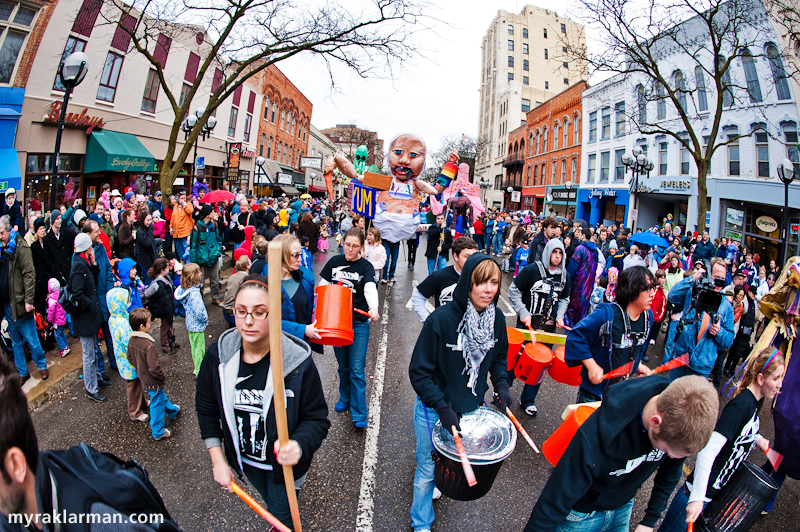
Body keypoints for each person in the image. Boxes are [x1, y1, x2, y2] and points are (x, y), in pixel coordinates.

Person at [195, 274, 330, 529]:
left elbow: (317, 419)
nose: (248, 321)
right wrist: (218, 460)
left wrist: (298, 445)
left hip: (285, 471)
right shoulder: (218, 357)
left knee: (281, 518)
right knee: (274, 509)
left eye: (259, 313)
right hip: (246, 462)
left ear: (276, 315)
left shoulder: (297, 363)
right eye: (241, 311)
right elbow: (206, 409)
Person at [524, 375, 719, 532]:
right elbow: (552, 503)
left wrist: (650, 520)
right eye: (666, 451)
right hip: (581, 516)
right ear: (655, 422)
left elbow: (670, 472)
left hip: (623, 505)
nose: (672, 458)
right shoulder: (593, 438)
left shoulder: (679, 422)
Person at [408, 253, 510, 532]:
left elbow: (499, 356)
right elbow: (419, 372)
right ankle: (421, 523)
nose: (489, 290)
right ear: (467, 284)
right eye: (482, 283)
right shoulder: (440, 320)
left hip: (470, 407)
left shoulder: (497, 318)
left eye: (494, 283)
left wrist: (501, 384)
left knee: (453, 467)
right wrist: (441, 406)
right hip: (433, 407)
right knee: (427, 470)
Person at [657, 349, 784, 532]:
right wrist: (697, 497)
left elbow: (739, 433)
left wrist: (757, 440)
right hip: (694, 498)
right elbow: (708, 450)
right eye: (776, 378)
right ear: (761, 378)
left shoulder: (754, 404)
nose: (780, 384)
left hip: (709, 499)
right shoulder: (741, 406)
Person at [566, 266, 655, 403]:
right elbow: (576, 336)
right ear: (631, 291)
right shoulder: (607, 314)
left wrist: (637, 365)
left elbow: (633, 349)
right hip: (594, 392)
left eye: (652, 288)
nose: (652, 294)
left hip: (619, 392)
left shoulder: (648, 317)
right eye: (647, 289)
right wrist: (592, 366)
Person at [319, 228, 379, 429]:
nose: (350, 249)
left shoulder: (366, 266)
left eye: (355, 246)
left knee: (356, 369)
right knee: (343, 366)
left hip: (359, 323)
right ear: (342, 243)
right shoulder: (334, 263)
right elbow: (322, 287)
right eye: (347, 244)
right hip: (336, 323)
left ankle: (359, 412)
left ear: (362, 247)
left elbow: (370, 287)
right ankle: (344, 397)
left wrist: (373, 307)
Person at [508, 238, 571, 415]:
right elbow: (513, 290)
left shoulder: (565, 276)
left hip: (548, 330)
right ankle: (502, 391)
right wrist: (523, 311)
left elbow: (564, 298)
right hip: (527, 326)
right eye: (554, 252)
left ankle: (528, 400)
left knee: (540, 366)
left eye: (560, 253)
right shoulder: (532, 270)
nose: (557, 256)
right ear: (548, 252)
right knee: (516, 361)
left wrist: (559, 316)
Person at [664, 258, 735, 380]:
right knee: (671, 396)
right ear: (708, 275)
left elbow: (729, 340)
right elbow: (672, 296)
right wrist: (692, 279)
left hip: (702, 367)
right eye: (716, 277)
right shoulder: (692, 293)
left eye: (722, 279)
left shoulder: (726, 306)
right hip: (681, 358)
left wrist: (719, 332)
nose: (719, 282)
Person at [0, 215, 49, 385]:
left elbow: (29, 274)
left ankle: (42, 365)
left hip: (20, 303)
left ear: (9, 230)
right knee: (15, 342)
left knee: (32, 339)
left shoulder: (20, 246)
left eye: (1, 233)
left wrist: (29, 300)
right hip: (7, 305)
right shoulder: (2, 249)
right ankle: (23, 371)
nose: (0, 236)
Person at [70, 233, 113, 401]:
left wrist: (94, 263)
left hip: (89, 315)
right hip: (85, 317)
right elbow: (78, 293)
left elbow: (93, 281)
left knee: (93, 350)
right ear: (87, 247)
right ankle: (91, 388)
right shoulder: (79, 264)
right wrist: (91, 306)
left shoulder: (83, 261)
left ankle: (97, 379)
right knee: (88, 354)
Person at [259, 234, 321, 349]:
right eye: (296, 255)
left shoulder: (306, 278)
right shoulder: (263, 284)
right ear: (281, 256)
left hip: (303, 346)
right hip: (276, 348)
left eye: (300, 254)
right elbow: (264, 321)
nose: (300, 259)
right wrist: (302, 330)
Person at [106, 286, 148, 423]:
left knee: (136, 382)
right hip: (129, 360)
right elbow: (130, 343)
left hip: (122, 359)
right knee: (133, 385)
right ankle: (134, 411)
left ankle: (141, 402)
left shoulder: (113, 318)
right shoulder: (122, 324)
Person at [412, 236, 478, 323]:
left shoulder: (480, 277)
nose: (471, 261)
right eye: (467, 257)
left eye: (474, 256)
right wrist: (428, 321)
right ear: (456, 256)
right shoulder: (440, 276)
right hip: (445, 331)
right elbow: (417, 296)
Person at [175, 263, 208, 377]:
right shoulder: (194, 294)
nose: (201, 273)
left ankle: (197, 367)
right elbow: (199, 311)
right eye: (199, 272)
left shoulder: (185, 291)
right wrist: (205, 319)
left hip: (190, 324)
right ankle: (200, 371)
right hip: (197, 325)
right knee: (200, 348)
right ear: (193, 276)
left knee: (194, 348)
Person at [143, 258, 178, 355]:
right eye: (167, 267)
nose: (169, 269)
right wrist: (169, 311)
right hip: (164, 310)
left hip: (166, 309)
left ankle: (171, 341)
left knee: (168, 326)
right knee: (165, 327)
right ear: (162, 270)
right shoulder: (159, 284)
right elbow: (163, 300)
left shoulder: (164, 280)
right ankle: (165, 346)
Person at [566, 226, 599, 327]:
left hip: (578, 284)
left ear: (583, 236)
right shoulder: (595, 251)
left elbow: (572, 268)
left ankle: (570, 330)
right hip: (588, 285)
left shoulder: (580, 249)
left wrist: (567, 282)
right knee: (582, 311)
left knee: (572, 309)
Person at [190, 204, 222, 306]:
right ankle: (200, 301)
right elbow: (193, 245)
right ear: (207, 214)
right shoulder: (197, 227)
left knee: (215, 280)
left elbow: (218, 239)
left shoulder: (214, 225)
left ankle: (215, 297)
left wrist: (218, 250)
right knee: (200, 282)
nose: (214, 213)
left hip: (213, 256)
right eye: (212, 212)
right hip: (201, 258)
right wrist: (194, 261)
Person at [221, 256, 251, 328]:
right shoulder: (246, 278)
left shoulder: (232, 276)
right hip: (234, 313)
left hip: (226, 311)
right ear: (247, 266)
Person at [46, 278, 70, 358]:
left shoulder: (51, 299)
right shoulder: (61, 294)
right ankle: (66, 345)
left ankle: (64, 348)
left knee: (57, 335)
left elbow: (51, 311)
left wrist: (49, 320)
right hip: (62, 318)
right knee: (62, 333)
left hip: (56, 321)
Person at [134, 210, 158, 285]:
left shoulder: (149, 228)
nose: (149, 222)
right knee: (147, 280)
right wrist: (150, 231)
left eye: (150, 220)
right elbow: (147, 243)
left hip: (151, 258)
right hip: (144, 260)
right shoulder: (140, 231)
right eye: (147, 220)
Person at [170, 188, 194, 261]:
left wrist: (184, 204)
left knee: (186, 250)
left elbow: (190, 211)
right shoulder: (175, 206)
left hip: (185, 232)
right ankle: (181, 263)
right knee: (179, 250)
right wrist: (171, 227)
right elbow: (172, 218)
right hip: (176, 232)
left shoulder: (188, 205)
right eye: (181, 198)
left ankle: (188, 264)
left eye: (184, 198)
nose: (183, 199)